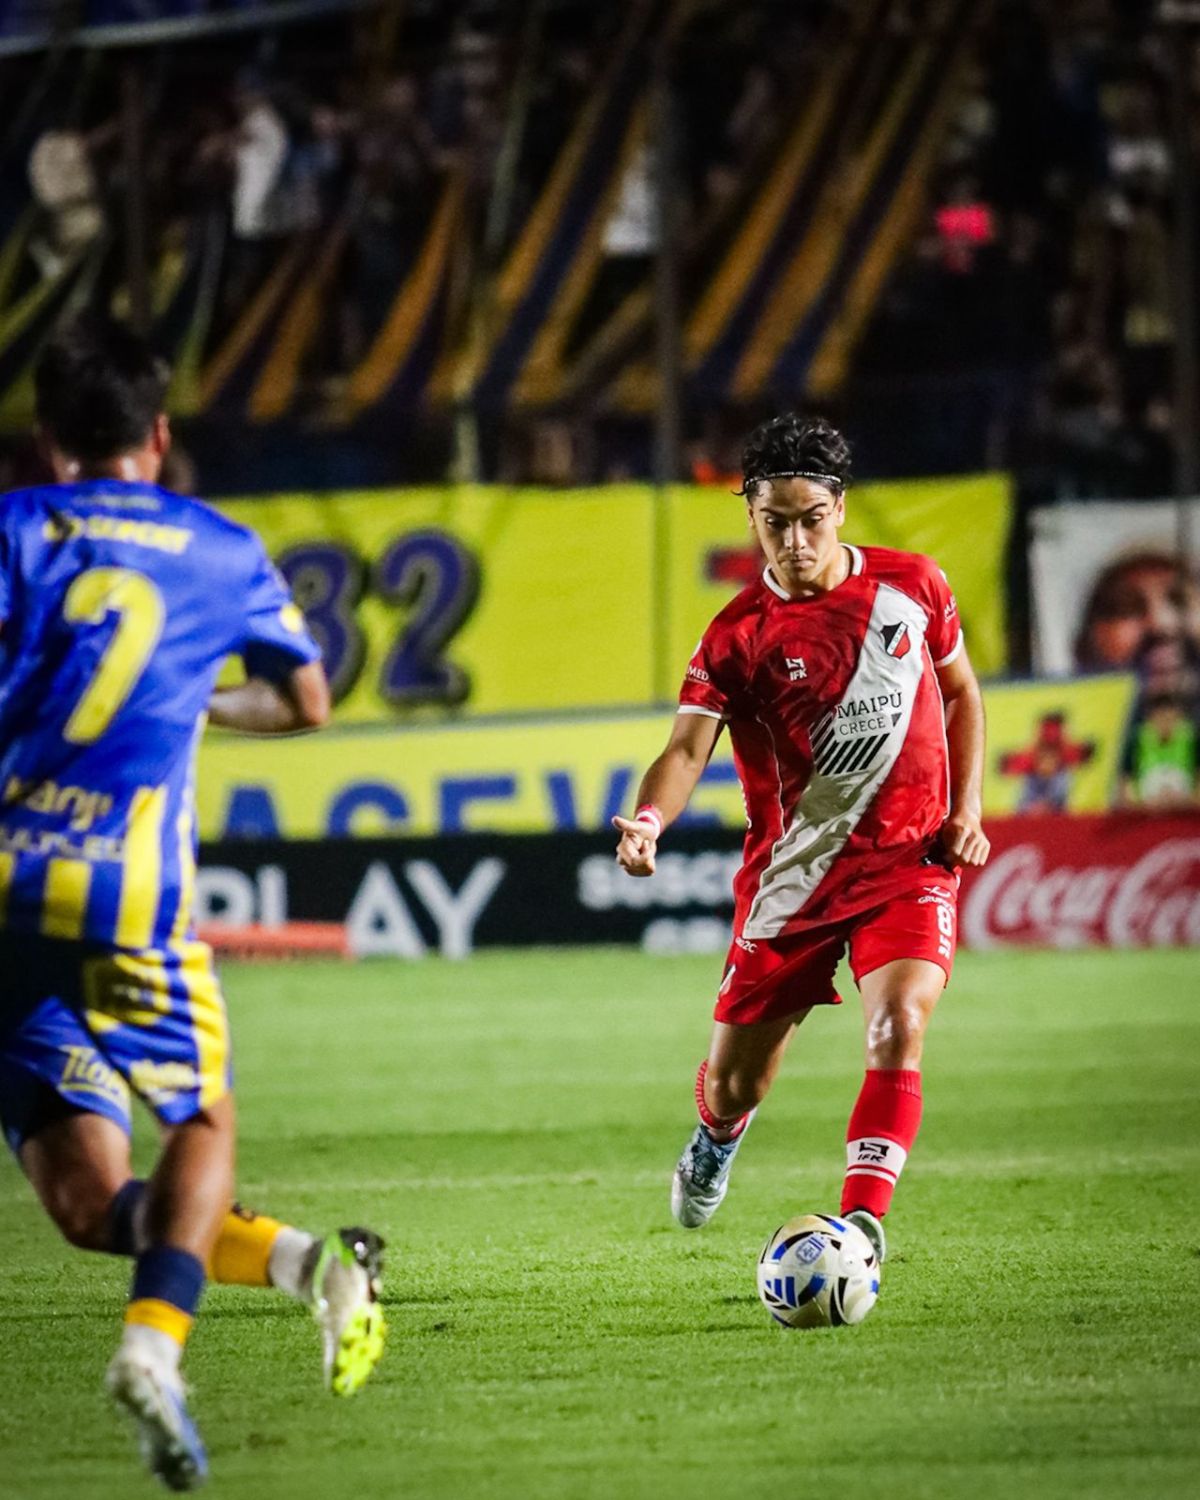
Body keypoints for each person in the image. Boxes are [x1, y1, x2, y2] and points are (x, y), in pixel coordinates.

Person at [0, 317, 385, 1491]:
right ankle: (151, 1355)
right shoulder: (218, 548)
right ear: (159, 437)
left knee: (85, 1198)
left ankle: (312, 1264)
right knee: (200, 1130)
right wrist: (198, 706)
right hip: (127, 900)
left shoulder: (13, 529)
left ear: (48, 442)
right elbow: (310, 700)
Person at [613, 414, 990, 1264]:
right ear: (749, 514)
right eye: (772, 521)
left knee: (898, 1024)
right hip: (796, 880)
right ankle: (715, 1135)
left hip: (909, 864)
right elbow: (684, 750)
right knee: (736, 1082)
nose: (792, 540)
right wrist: (648, 821)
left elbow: (962, 693)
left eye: (809, 518)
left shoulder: (917, 589)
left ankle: (861, 1227)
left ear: (840, 509)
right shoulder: (737, 637)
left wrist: (966, 812)